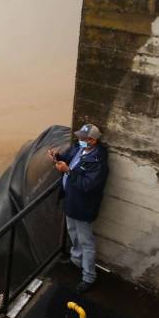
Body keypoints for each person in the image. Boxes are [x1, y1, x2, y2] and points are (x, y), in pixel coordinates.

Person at [48, 123, 109, 293]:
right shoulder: (79, 148)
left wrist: (67, 171)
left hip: (83, 206)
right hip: (71, 201)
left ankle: (89, 276)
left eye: (83, 138)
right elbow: (68, 158)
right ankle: (76, 260)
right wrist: (57, 156)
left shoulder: (98, 162)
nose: (79, 139)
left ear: (92, 141)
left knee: (86, 241)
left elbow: (88, 185)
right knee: (72, 232)